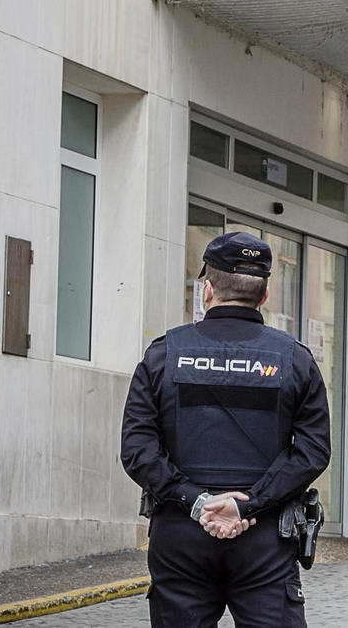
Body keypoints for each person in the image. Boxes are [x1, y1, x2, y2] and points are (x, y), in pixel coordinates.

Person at [121, 231, 331, 627]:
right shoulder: (295, 360)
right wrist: (247, 504)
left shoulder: (163, 354)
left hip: (181, 537)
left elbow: (137, 448)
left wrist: (196, 501)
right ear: (264, 296)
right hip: (265, 540)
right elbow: (312, 451)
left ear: (207, 290)